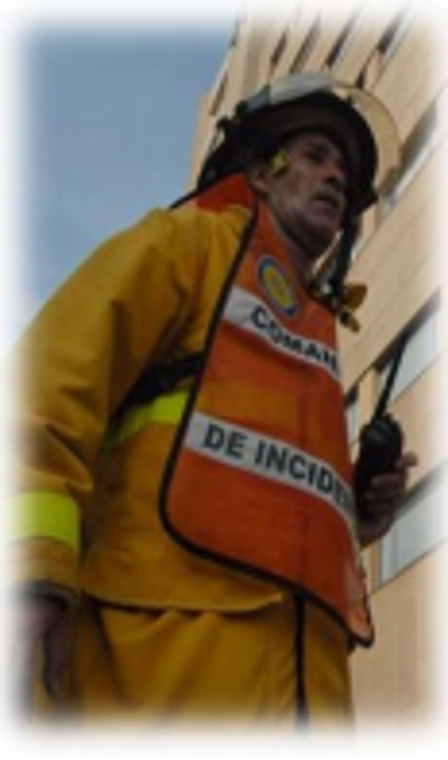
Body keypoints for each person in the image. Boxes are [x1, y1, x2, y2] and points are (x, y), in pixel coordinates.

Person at [7, 71, 417, 726]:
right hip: (157, 669)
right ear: (260, 174)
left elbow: (252, 486)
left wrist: (355, 516)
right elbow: (41, 394)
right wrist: (34, 571)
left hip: (308, 693)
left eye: (343, 174)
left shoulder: (311, 330)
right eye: (315, 156)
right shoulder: (184, 244)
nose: (334, 178)